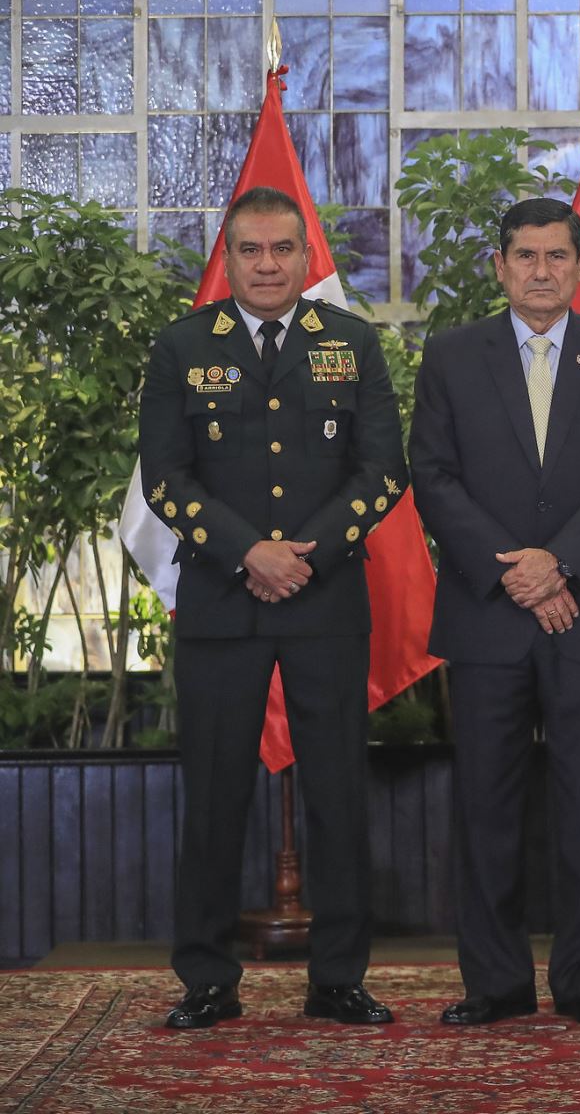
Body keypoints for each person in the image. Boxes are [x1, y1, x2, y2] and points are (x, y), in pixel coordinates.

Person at [138, 185, 407, 1029]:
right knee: (215, 796)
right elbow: (163, 477)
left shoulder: (350, 342)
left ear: (305, 256)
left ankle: (338, 979)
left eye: (282, 249)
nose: (266, 265)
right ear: (227, 259)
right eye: (250, 250)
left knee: (337, 793)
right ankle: (207, 980)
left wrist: (305, 555)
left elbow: (383, 472)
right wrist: (248, 551)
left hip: (326, 603)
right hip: (222, 604)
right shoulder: (183, 346)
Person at [409, 197, 580, 1026]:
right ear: (500, 266)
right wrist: (517, 571)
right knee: (486, 804)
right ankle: (495, 983)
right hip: (488, 614)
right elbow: (432, 474)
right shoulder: (452, 355)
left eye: (558, 256)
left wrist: (561, 566)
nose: (542, 271)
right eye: (526, 255)